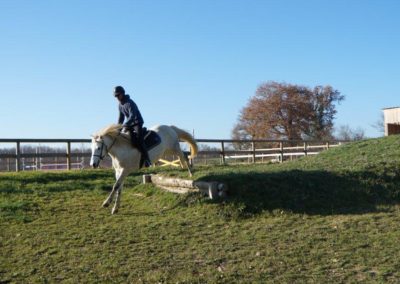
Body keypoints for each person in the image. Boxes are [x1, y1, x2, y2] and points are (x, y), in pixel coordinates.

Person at [114, 86, 152, 167]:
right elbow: (121, 118)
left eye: (118, 95)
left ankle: (147, 160)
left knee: (140, 141)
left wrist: (125, 124)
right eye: (115, 96)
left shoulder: (130, 103)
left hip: (137, 123)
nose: (117, 97)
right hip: (129, 124)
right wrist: (117, 128)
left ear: (122, 93)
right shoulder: (120, 105)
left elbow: (132, 116)